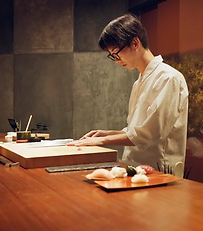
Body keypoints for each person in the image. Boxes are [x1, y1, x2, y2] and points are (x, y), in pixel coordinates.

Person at [68, 14, 188, 172]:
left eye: (116, 53)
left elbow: (150, 134)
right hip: (136, 167)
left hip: (159, 171)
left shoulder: (168, 78)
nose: (116, 60)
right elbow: (135, 131)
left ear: (135, 42)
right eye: (112, 56)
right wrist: (105, 134)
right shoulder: (139, 82)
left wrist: (103, 141)